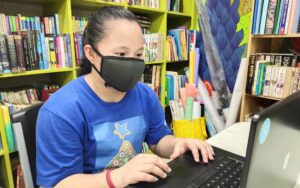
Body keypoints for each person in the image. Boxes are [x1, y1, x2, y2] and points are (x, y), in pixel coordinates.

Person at [36, 6, 214, 188]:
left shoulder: (144, 95)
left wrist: (178, 143)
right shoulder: (61, 110)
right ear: (91, 54)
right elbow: (60, 184)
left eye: (138, 54)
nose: (131, 62)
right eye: (121, 54)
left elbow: (158, 140)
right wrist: (117, 178)